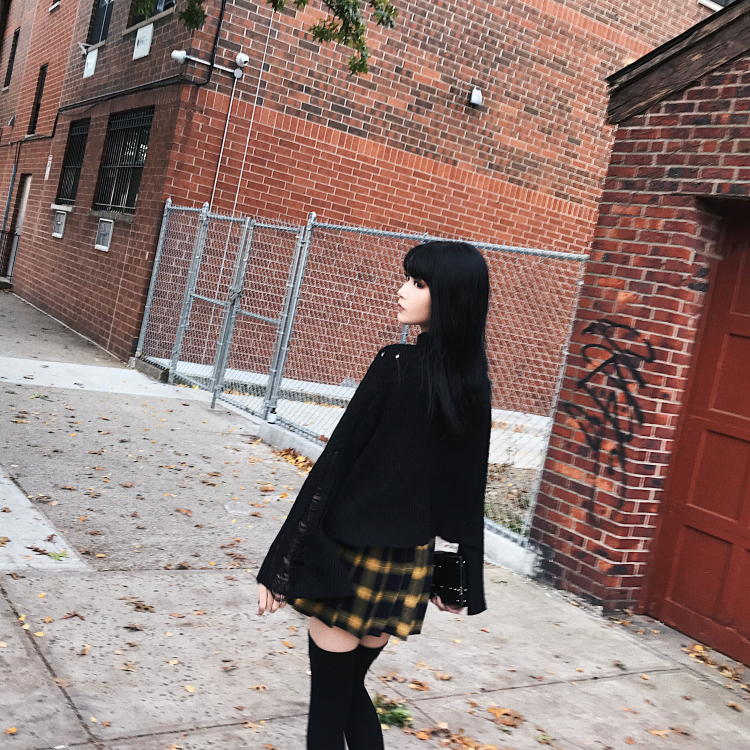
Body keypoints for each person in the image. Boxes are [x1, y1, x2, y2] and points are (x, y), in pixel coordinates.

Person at [256, 240, 492, 749]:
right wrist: (461, 578)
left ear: (451, 296)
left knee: (330, 707)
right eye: (407, 278)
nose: (402, 290)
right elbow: (467, 487)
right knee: (347, 692)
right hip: (407, 564)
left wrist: (279, 564)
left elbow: (334, 466)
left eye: (419, 283)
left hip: (349, 557)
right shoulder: (471, 381)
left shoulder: (396, 364)